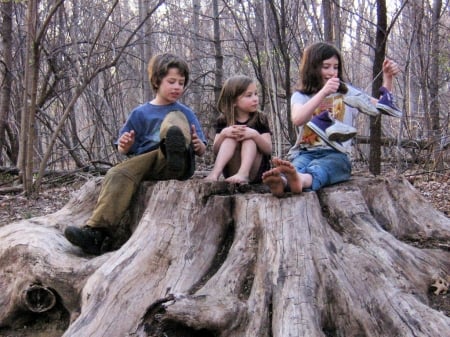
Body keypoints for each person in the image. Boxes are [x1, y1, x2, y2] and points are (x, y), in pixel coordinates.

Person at [64, 53, 207, 254]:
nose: (177, 87)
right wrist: (126, 145)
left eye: (181, 83)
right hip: (148, 163)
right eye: (171, 81)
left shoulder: (185, 112)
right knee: (116, 173)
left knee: (174, 120)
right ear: (157, 81)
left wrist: (198, 144)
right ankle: (96, 233)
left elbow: (202, 149)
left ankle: (175, 152)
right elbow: (124, 148)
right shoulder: (140, 113)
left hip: (179, 161)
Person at [262, 42, 401, 197]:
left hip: (337, 154)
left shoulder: (347, 92)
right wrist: (323, 92)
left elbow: (381, 106)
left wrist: (388, 78)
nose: (332, 72)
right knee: (296, 166)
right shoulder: (301, 96)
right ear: (312, 68)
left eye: (335, 67)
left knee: (323, 168)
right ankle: (281, 182)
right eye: (326, 66)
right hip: (305, 152)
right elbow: (298, 118)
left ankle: (300, 181)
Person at [204, 75, 272, 184]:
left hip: (256, 171)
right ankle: (215, 173)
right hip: (232, 172)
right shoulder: (224, 120)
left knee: (249, 139)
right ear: (234, 101)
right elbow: (216, 150)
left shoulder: (260, 119)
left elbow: (268, 149)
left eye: (256, 94)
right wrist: (223, 134)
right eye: (249, 95)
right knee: (229, 139)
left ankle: (243, 173)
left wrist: (255, 135)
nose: (255, 99)